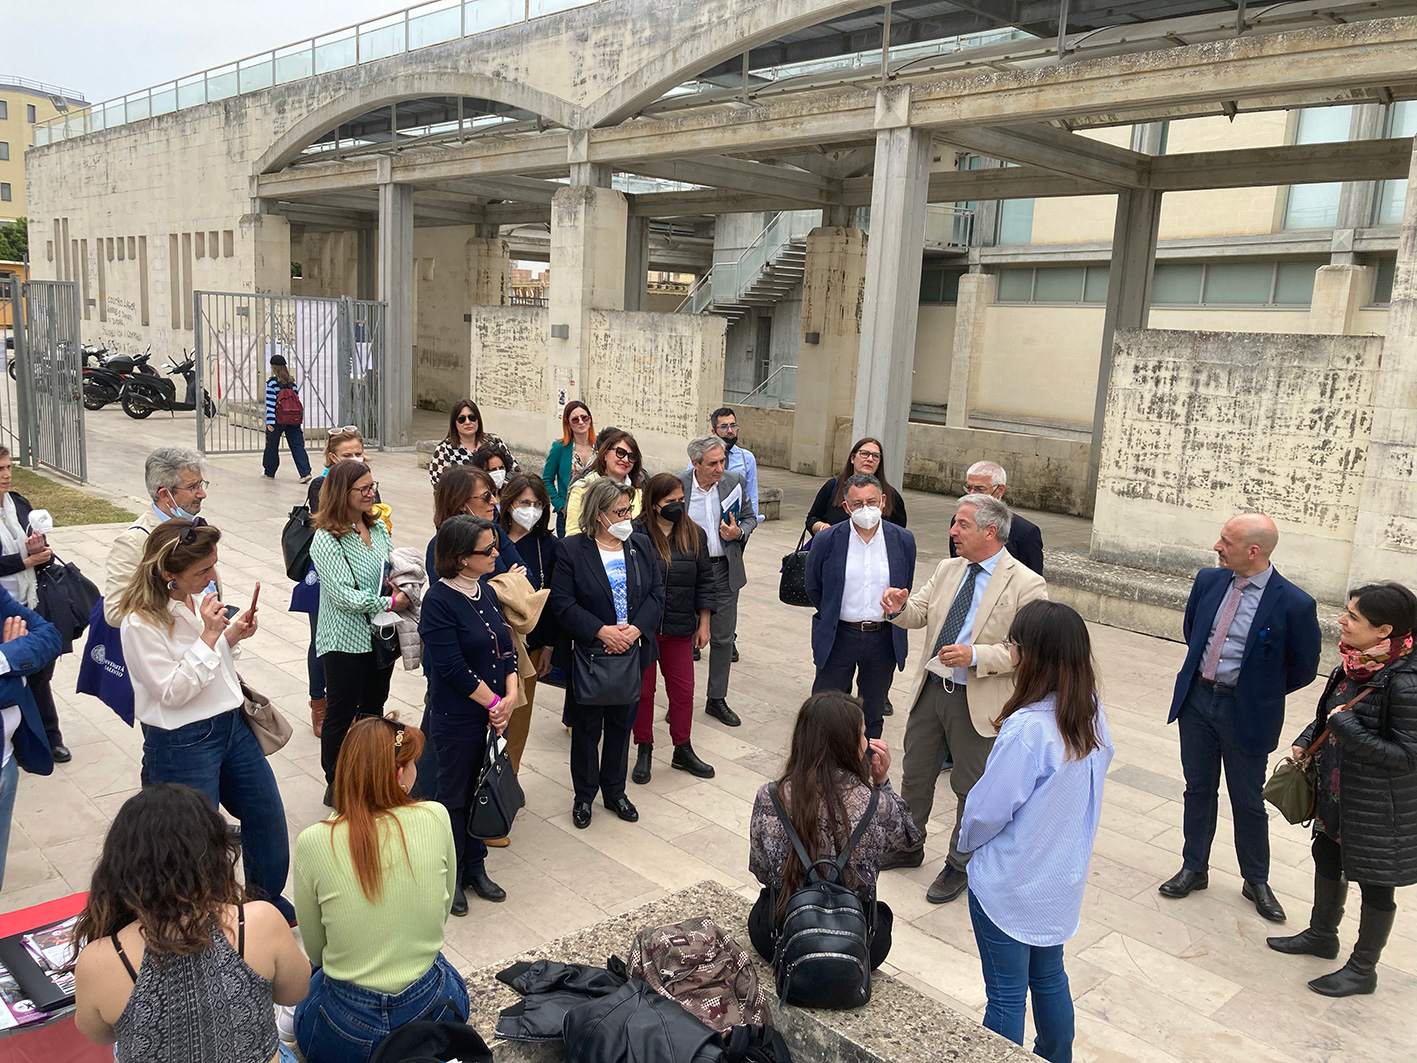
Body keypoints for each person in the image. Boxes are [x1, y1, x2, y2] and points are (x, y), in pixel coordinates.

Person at [117, 520, 295, 922]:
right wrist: (211, 637)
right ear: (169, 576)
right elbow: (172, 691)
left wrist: (230, 636)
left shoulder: (198, 598)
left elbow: (208, 664)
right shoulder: (140, 622)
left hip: (231, 726)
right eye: (202, 571)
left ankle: (265, 904)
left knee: (265, 814)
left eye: (214, 565)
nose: (213, 577)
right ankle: (201, 915)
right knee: (192, 838)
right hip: (182, 741)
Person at [960, 601, 1114, 1063]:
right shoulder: (1090, 710)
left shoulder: (1030, 727)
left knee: (1006, 996)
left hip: (1011, 883)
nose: (1010, 652)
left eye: (1013, 644)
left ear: (1031, 655)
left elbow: (987, 810)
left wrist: (966, 845)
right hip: (1059, 881)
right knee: (1049, 979)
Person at [878, 494, 1047, 905]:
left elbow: (1027, 651)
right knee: (915, 774)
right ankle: (908, 843)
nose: (952, 532)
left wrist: (976, 656)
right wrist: (897, 609)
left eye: (962, 525)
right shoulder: (947, 568)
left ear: (990, 531)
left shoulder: (1027, 583)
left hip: (979, 701)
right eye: (954, 524)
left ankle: (960, 862)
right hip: (932, 689)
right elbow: (919, 612)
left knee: (971, 789)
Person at [1159, 513, 1321, 923]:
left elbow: (1303, 667)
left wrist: (1257, 692)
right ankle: (1194, 868)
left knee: (1247, 799)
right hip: (1197, 700)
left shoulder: (1295, 603)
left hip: (1244, 712)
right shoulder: (1208, 581)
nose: (1217, 546)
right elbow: (1193, 630)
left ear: (1253, 551)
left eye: (1226, 541)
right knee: (1198, 788)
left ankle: (1256, 880)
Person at [72, 784, 309, 1063]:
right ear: (213, 855)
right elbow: (295, 991)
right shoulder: (258, 921)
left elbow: (98, 1034)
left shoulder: (102, 959)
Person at [1267, 582, 1417, 997]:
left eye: (1353, 617)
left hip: (1376, 807)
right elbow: (1331, 712)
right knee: (1326, 856)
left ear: (1383, 631)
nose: (1342, 621)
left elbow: (1407, 756)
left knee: (1375, 883)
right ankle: (1321, 934)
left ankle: (1362, 969)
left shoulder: (1406, 683)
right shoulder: (1353, 664)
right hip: (1337, 793)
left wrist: (1344, 728)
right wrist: (1307, 737)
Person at [293, 717, 468, 1062]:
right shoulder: (436, 817)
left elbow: (317, 951)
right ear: (400, 774)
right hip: (435, 1004)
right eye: (413, 762)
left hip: (346, 1024)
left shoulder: (314, 842)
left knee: (312, 984)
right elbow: (442, 909)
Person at [747, 691, 920, 970]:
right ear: (848, 744)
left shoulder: (770, 796)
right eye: (863, 734)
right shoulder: (874, 802)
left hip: (779, 935)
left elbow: (761, 869)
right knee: (882, 916)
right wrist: (882, 783)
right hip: (854, 940)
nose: (867, 742)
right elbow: (908, 838)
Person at [550, 478, 664, 829]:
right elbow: (562, 602)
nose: (627, 516)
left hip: (632, 651)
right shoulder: (571, 550)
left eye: (629, 509)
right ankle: (584, 796)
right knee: (586, 730)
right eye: (620, 511)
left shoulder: (641, 546)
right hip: (591, 654)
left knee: (621, 726)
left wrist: (634, 630)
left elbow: (657, 593)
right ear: (599, 515)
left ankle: (615, 791)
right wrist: (600, 631)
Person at [420, 515, 516, 911]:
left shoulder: (486, 592)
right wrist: (494, 703)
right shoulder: (439, 601)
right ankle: (454, 874)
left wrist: (509, 696)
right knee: (454, 797)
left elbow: (506, 647)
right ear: (461, 558)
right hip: (457, 715)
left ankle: (477, 867)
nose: (496, 554)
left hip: (492, 713)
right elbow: (452, 667)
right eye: (487, 550)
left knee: (482, 791)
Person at [311, 460, 412, 807]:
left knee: (373, 708)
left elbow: (391, 566)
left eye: (373, 486)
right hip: (344, 640)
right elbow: (343, 595)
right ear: (343, 493)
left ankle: (368, 775)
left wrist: (397, 588)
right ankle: (336, 781)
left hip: (380, 637)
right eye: (364, 489)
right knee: (341, 712)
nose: (372, 493)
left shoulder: (378, 528)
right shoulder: (326, 539)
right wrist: (389, 601)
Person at [805, 473, 916, 740]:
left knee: (873, 712)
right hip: (839, 635)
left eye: (871, 502)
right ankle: (824, 770)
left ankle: (867, 769)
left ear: (883, 501)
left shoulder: (902, 540)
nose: (866, 509)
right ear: (846, 507)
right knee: (826, 710)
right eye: (857, 504)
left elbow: (905, 582)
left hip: (882, 637)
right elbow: (814, 585)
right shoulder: (828, 539)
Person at [631, 472, 716, 785]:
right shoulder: (636, 534)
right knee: (643, 691)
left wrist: (704, 622)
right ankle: (644, 747)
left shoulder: (695, 534)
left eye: (681, 500)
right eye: (671, 502)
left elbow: (706, 581)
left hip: (680, 629)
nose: (678, 506)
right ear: (654, 505)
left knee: (683, 692)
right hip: (644, 630)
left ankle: (682, 747)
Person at [294, 427, 375, 739]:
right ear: (332, 457)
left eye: (358, 453)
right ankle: (319, 701)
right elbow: (329, 522)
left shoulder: (365, 484)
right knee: (320, 640)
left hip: (361, 569)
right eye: (347, 455)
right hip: (325, 572)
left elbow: (374, 520)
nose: (355, 458)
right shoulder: (323, 485)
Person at [678, 435, 757, 728]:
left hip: (723, 569)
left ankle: (716, 698)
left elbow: (750, 518)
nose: (720, 468)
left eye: (722, 461)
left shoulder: (733, 482)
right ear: (695, 463)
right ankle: (680, 699)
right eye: (713, 463)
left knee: (723, 638)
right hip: (688, 572)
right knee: (683, 638)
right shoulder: (679, 486)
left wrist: (738, 533)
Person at [0, 445, 67, 762]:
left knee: (39, 672)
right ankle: (29, 738)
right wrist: (25, 560)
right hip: (4, 605)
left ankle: (47, 735)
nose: (6, 475)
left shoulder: (18, 503)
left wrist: (40, 551)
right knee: (13, 673)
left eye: (8, 467)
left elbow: (38, 547)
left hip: (31, 599)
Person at [104, 446, 210, 627]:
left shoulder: (195, 527)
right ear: (165, 494)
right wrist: (180, 611)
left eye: (201, 484)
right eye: (193, 487)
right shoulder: (134, 542)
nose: (202, 494)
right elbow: (115, 612)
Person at [0, 584, 62, 891]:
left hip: (6, 763)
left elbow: (49, 635)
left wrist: (3, 658)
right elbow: (11, 689)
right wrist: (15, 672)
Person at [499, 473, 559, 772]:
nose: (531, 509)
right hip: (490, 643)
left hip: (529, 646)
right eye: (524, 502)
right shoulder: (489, 536)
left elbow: (553, 602)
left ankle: (509, 779)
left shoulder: (548, 545)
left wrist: (549, 645)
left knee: (520, 716)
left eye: (537, 503)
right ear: (509, 503)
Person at [948, 461, 1044, 576]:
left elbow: (1032, 580)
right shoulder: (957, 522)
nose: (972, 494)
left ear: (1000, 490)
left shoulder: (1025, 532)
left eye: (980, 489)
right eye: (969, 488)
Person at [427, 466, 524, 579]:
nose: (494, 501)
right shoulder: (439, 546)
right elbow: (452, 593)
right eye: (486, 496)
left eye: (493, 493)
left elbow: (526, 575)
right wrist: (508, 582)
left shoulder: (495, 532)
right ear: (462, 504)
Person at [805, 437, 907, 536]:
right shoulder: (833, 487)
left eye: (876, 456)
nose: (870, 459)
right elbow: (812, 519)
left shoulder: (891, 495)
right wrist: (826, 529)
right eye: (864, 454)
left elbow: (898, 532)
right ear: (852, 458)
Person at [563, 428, 645, 536]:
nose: (625, 460)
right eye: (620, 453)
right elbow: (573, 533)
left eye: (632, 456)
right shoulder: (583, 488)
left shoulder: (638, 491)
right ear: (605, 454)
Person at [427, 399, 516, 486]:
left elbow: (514, 469)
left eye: (472, 418)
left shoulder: (494, 441)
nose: (468, 422)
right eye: (462, 419)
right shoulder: (444, 449)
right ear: (454, 423)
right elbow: (440, 485)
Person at [543, 401, 596, 536]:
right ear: (568, 423)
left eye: (584, 417)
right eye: (575, 419)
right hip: (568, 515)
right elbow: (547, 479)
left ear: (590, 419)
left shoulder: (600, 447)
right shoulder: (559, 448)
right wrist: (560, 504)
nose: (581, 422)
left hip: (595, 514)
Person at [261, 354, 313, 484]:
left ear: (273, 367)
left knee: (272, 446)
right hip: (293, 420)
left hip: (278, 420)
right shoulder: (291, 383)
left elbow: (271, 404)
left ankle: (269, 472)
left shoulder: (272, 383)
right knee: (297, 446)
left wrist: (270, 422)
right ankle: (305, 472)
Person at [710, 407, 760, 522]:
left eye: (733, 426)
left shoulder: (746, 458)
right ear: (714, 432)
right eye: (724, 427)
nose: (730, 431)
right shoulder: (702, 456)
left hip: (734, 523)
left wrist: (750, 524)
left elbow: (751, 494)